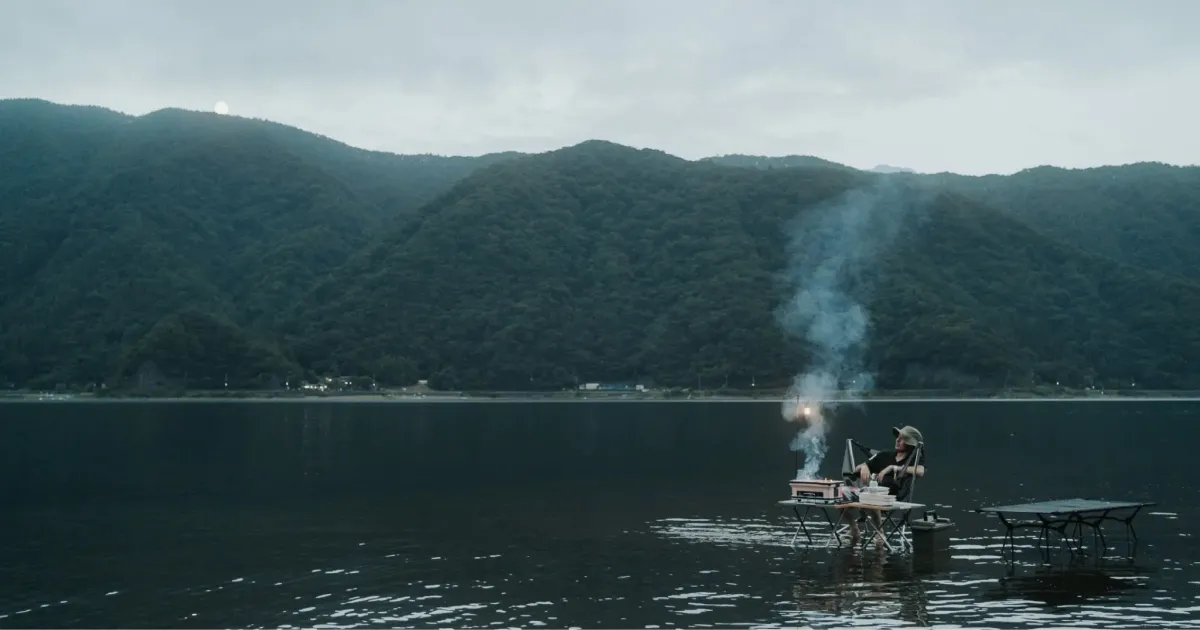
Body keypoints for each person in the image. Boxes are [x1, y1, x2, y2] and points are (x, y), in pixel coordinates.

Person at [846, 425, 926, 542]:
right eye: (898, 437)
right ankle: (853, 528)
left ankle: (880, 533)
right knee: (840, 495)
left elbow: (920, 471)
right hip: (871, 493)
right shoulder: (884, 455)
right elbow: (858, 468)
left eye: (902, 439)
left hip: (894, 495)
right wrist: (864, 466)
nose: (897, 440)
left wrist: (893, 467)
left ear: (909, 444)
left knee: (874, 498)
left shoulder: (913, 459)